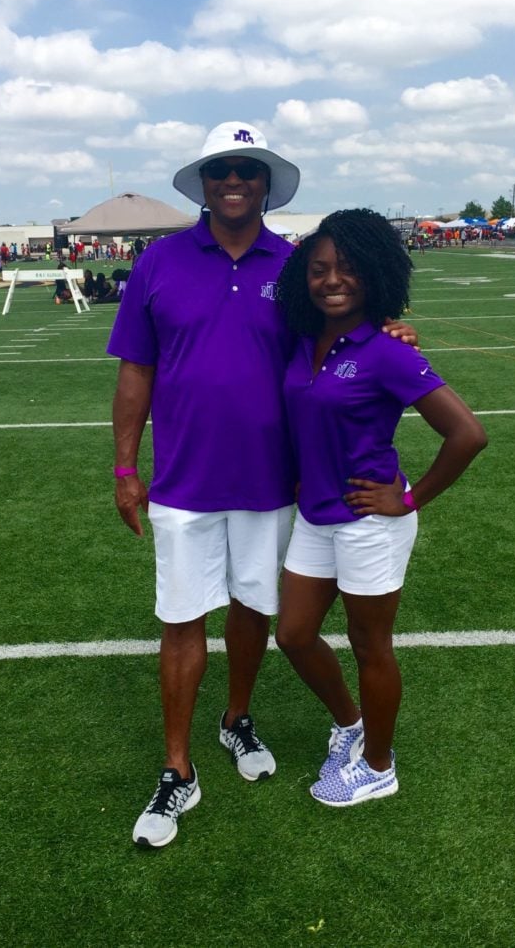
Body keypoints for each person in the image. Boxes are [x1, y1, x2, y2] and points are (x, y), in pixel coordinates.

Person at [106, 123, 418, 848]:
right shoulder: (158, 263)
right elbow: (134, 372)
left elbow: (345, 323)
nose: (234, 179)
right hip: (182, 480)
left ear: (267, 182)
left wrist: (391, 329)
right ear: (206, 182)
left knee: (253, 609)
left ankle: (236, 718)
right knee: (181, 618)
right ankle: (177, 767)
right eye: (222, 169)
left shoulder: (300, 263)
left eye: (248, 168)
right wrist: (126, 467)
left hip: (276, 481)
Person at [274, 208, 487, 807]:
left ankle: (378, 764)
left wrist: (409, 497)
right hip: (316, 513)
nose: (332, 279)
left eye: (348, 268)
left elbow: (467, 434)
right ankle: (350, 724)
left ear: (373, 275)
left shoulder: (387, 349)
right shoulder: (301, 337)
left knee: (371, 646)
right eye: (319, 270)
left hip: (370, 519)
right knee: (292, 634)